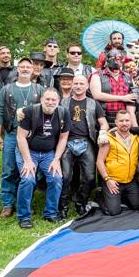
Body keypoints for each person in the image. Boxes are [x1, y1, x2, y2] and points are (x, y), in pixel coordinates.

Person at [0, 58, 43, 218]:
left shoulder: (39, 89)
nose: (25, 69)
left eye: (28, 67)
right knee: (9, 169)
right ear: (17, 69)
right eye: (22, 66)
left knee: (30, 170)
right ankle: (7, 204)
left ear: (32, 70)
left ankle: (25, 203)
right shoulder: (7, 89)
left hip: (31, 136)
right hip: (11, 134)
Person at [15, 88, 69, 228]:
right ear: (41, 100)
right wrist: (27, 161)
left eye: (53, 99)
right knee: (28, 179)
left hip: (49, 153)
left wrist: (56, 159)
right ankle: (24, 217)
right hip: (28, 151)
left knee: (56, 178)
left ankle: (51, 213)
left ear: (58, 101)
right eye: (47, 99)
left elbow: (63, 138)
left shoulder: (63, 113)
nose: (50, 102)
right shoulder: (30, 111)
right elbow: (20, 137)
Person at [59, 75, 109, 219]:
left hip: (86, 141)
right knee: (65, 177)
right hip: (67, 141)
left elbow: (104, 123)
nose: (78, 86)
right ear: (72, 85)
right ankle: (63, 207)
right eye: (76, 83)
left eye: (81, 83)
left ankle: (81, 202)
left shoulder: (93, 103)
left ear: (87, 86)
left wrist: (103, 132)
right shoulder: (63, 102)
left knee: (90, 177)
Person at [96, 110, 139, 215]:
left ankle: (120, 197)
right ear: (116, 122)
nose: (124, 123)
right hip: (113, 180)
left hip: (130, 181)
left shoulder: (136, 137)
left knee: (138, 206)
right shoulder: (108, 138)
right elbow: (99, 161)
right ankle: (100, 195)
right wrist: (107, 179)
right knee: (113, 211)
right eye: (121, 121)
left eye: (127, 120)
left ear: (131, 122)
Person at [90, 48, 136, 120]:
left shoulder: (127, 77)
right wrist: (122, 98)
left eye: (119, 59)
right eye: (113, 58)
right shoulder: (97, 75)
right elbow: (97, 95)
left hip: (124, 118)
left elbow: (133, 96)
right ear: (107, 60)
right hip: (103, 116)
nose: (116, 61)